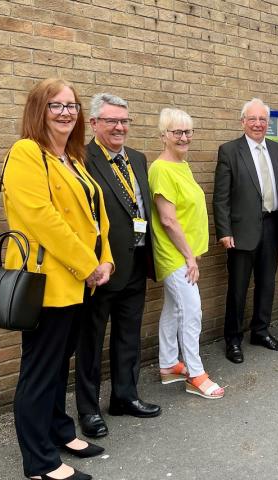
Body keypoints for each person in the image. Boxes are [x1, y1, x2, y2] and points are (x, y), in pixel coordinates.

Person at [4, 78, 114, 480]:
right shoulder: (26, 153)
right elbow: (42, 219)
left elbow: (94, 217)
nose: (67, 112)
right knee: (40, 370)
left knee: (58, 364)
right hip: (47, 282)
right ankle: (39, 462)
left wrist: (105, 260)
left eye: (72, 106)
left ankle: (59, 431)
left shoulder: (73, 157)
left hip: (79, 281)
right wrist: (88, 264)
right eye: (57, 105)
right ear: (39, 110)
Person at [74, 94, 161, 439]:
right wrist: (93, 262)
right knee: (91, 342)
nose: (119, 127)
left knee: (128, 337)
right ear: (94, 123)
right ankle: (88, 410)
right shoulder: (79, 158)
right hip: (101, 269)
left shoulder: (137, 158)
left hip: (137, 263)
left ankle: (125, 396)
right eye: (111, 121)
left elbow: (140, 210)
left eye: (124, 121)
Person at [213, 98, 278, 364]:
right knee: (238, 288)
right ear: (243, 122)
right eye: (253, 119)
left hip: (272, 226)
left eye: (263, 120)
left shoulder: (276, 150)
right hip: (241, 231)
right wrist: (224, 231)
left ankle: (260, 331)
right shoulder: (229, 151)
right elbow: (221, 197)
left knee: (267, 284)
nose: (258, 124)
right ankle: (233, 340)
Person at [150, 108, 224, 399]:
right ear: (163, 136)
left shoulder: (182, 164)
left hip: (185, 254)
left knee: (174, 308)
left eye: (188, 131)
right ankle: (195, 374)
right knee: (192, 311)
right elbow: (168, 219)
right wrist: (189, 256)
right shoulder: (161, 169)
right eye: (177, 132)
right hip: (174, 256)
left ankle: (168, 364)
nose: (184, 137)